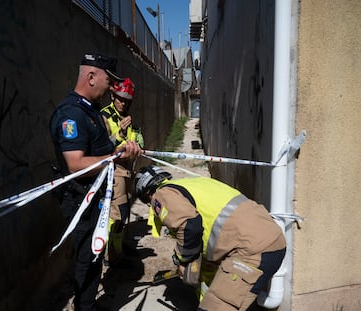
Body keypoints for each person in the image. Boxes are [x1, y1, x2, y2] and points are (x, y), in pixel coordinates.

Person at [49, 52, 141, 311]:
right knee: (86, 258)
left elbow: (99, 149)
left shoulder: (90, 111)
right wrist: (114, 157)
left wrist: (119, 146)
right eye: (109, 80)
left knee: (93, 256)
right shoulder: (72, 114)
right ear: (91, 77)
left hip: (95, 198)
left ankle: (86, 303)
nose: (112, 87)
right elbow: (76, 163)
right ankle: (85, 306)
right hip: (81, 200)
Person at [134, 165, 286, 311]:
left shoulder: (162, 194)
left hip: (252, 252)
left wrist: (184, 261)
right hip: (266, 237)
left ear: (147, 194)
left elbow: (190, 226)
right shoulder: (192, 183)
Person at [100, 77, 144, 264]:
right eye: (120, 98)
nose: (123, 102)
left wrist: (138, 144)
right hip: (113, 170)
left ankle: (118, 250)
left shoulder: (129, 118)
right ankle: (105, 255)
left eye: (127, 99)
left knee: (123, 214)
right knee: (115, 214)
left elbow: (140, 141)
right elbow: (100, 147)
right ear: (112, 95)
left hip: (128, 171)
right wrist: (120, 135)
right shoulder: (104, 116)